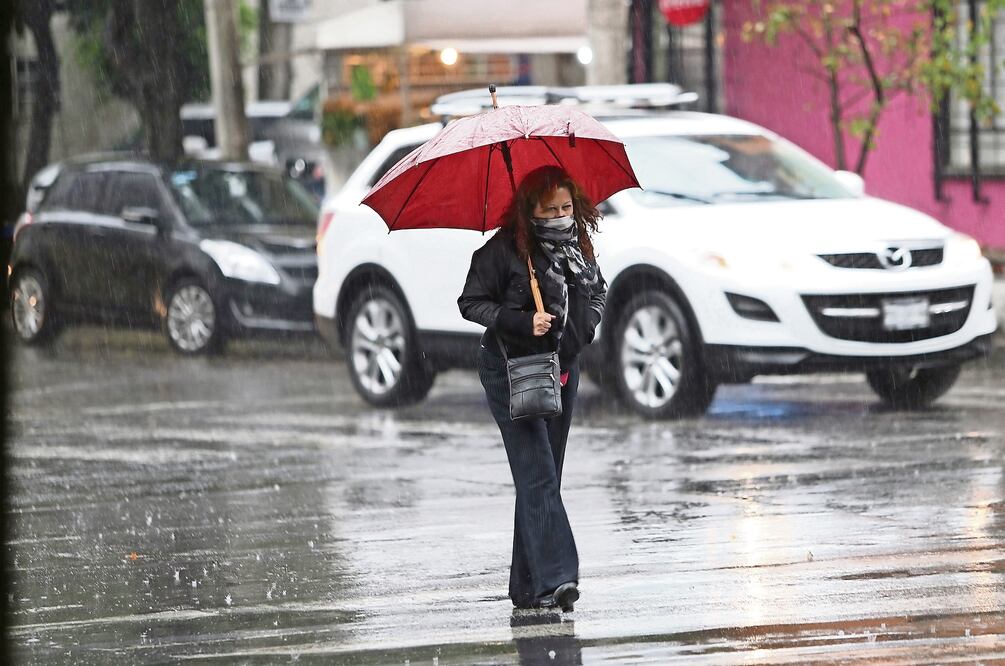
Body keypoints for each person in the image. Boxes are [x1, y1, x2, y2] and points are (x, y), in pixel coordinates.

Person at [458, 166, 607, 612]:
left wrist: (585, 326)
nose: (560, 217)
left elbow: (598, 291)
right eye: (549, 210)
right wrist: (523, 321)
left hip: (561, 370)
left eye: (566, 207)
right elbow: (470, 303)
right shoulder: (503, 251)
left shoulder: (578, 247)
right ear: (530, 211)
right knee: (538, 473)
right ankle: (559, 578)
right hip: (512, 370)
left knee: (544, 478)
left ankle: (527, 587)